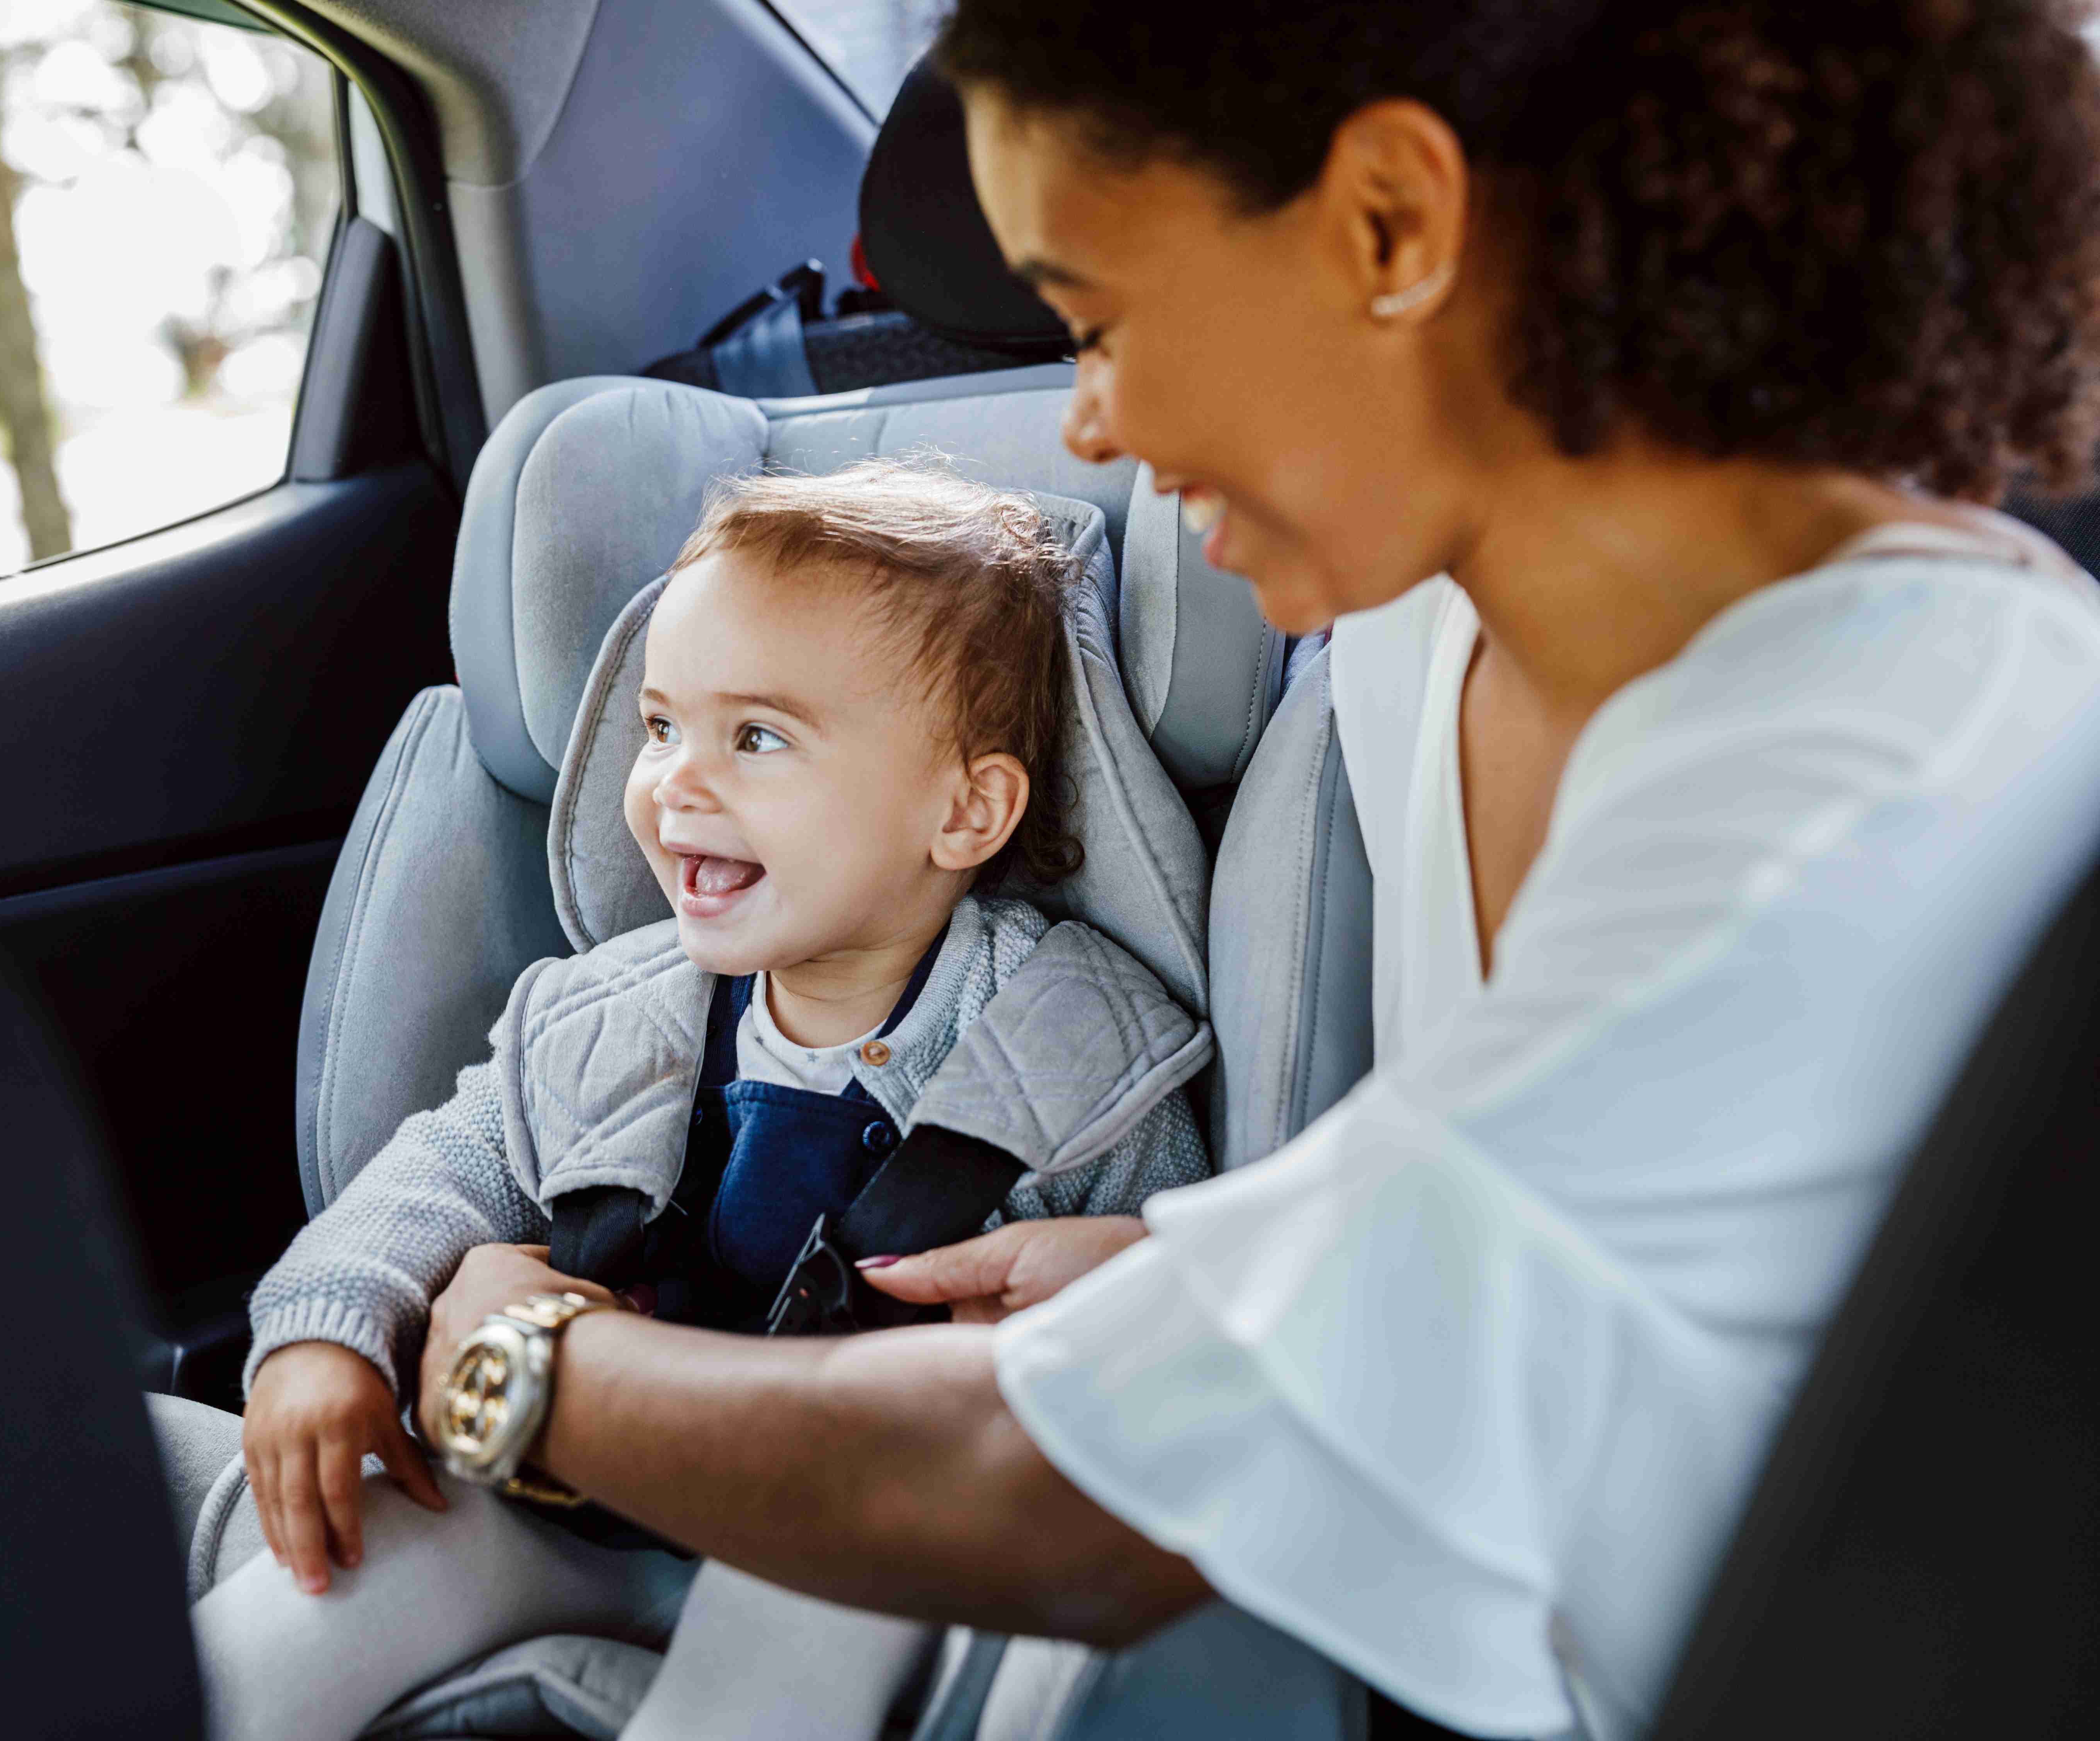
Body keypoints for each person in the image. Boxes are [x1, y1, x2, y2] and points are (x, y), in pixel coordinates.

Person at [398, 3, 2100, 1738]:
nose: (1088, 422)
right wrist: (1184, 1279)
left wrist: (523, 1364)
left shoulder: (1865, 778)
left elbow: (1053, 1500)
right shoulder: (1426, 631)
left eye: (1099, 320)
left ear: (1388, 225)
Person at [187, 457, 1216, 1741]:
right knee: (325, 1593)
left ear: (966, 810)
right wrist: (323, 1335)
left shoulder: (1080, 1057)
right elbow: (435, 1176)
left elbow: (1187, 1320)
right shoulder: (605, 1019)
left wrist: (1130, 1285)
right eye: (662, 726)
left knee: (812, 1611)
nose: (675, 779)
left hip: (859, 1541)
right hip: (574, 1501)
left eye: (759, 737)